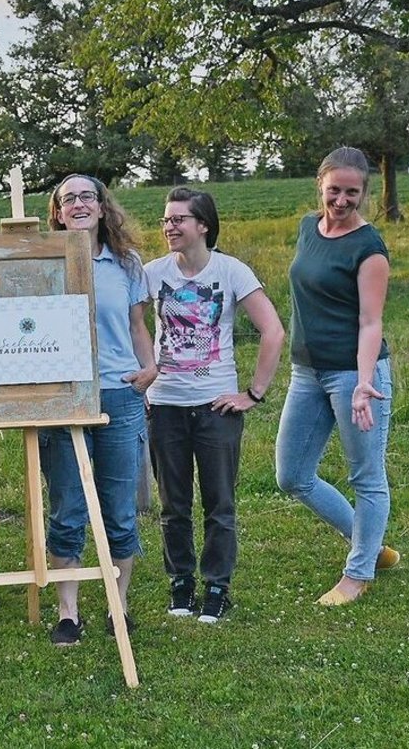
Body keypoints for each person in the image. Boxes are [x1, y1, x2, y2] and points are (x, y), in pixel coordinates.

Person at [144, 187, 285, 624]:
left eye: (179, 219)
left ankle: (218, 587)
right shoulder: (150, 273)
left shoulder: (231, 271)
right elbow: (125, 326)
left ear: (203, 225)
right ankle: (181, 583)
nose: (170, 226)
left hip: (216, 408)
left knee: (219, 503)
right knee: (173, 504)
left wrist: (253, 394)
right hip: (164, 404)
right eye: (166, 220)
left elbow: (273, 331)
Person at [275, 147, 400, 607]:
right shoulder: (308, 228)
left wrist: (365, 382)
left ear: (364, 192)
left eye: (352, 192)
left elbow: (371, 322)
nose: (342, 200)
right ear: (320, 187)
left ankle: (359, 572)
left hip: (354, 376)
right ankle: (372, 542)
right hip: (306, 372)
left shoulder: (369, 249)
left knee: (366, 477)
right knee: (292, 475)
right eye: (334, 190)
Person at [41, 174, 158, 646]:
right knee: (68, 508)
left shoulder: (126, 264)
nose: (79, 204)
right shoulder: (43, 263)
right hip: (64, 398)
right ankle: (68, 611)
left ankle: (118, 603)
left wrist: (149, 368)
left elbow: (137, 325)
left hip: (119, 395)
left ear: (103, 206)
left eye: (87, 196)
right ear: (57, 213)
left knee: (119, 510)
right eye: (69, 199)